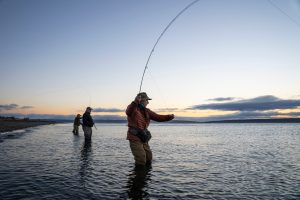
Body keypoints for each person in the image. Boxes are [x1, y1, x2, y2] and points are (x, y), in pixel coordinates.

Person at [126, 92, 174, 166]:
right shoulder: (133, 108)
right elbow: (128, 111)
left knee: (149, 157)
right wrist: (135, 102)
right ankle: (139, 176)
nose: (148, 102)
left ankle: (147, 176)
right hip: (134, 137)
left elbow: (158, 117)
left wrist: (169, 117)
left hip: (143, 137)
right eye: (146, 100)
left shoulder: (147, 111)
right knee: (141, 159)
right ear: (141, 100)